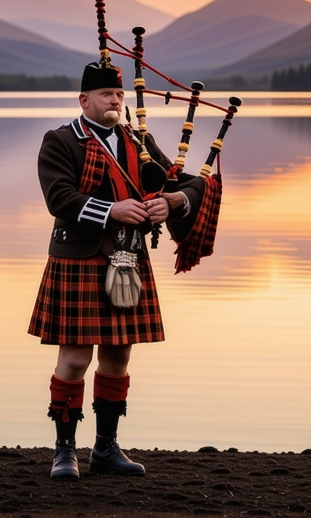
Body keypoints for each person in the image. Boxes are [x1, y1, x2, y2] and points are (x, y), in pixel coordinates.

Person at [28, 60, 205, 480]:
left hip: (127, 257)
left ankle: (106, 449)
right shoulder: (60, 141)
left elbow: (183, 182)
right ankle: (64, 451)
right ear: (84, 100)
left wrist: (174, 203)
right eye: (107, 94)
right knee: (73, 359)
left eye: (121, 95)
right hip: (79, 259)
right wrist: (112, 210)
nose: (116, 101)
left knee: (119, 355)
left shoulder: (138, 141)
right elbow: (60, 199)